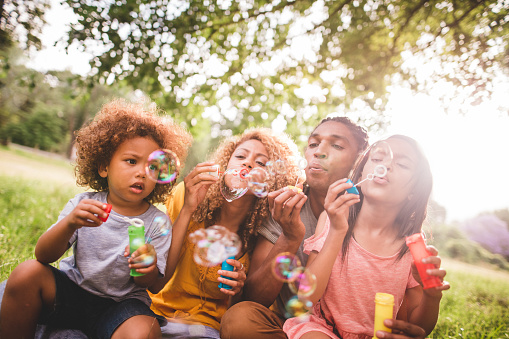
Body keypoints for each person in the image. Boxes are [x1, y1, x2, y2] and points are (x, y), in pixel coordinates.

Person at [221, 118, 431, 339]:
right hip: (302, 327)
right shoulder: (285, 206)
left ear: (359, 163)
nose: (319, 152)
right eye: (313, 144)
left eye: (337, 145)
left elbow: (406, 315)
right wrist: (290, 237)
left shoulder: (391, 229)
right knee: (240, 319)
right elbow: (254, 300)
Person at [0, 99, 192, 339]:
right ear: (104, 166)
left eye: (153, 167)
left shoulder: (157, 222)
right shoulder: (84, 205)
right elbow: (43, 256)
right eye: (131, 161)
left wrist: (147, 267)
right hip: (73, 293)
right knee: (26, 273)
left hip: (121, 307)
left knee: (145, 330)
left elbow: (152, 285)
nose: (142, 172)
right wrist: (69, 223)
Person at [283, 135, 450, 339]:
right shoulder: (332, 220)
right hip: (321, 328)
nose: (386, 166)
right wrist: (337, 231)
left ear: (414, 191)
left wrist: (432, 296)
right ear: (362, 172)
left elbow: (416, 328)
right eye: (377, 159)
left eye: (402, 164)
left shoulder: (412, 245)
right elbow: (306, 297)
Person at [148, 128, 302, 338]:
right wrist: (188, 209)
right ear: (226, 163)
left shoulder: (263, 233)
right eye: (240, 156)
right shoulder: (189, 194)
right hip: (156, 314)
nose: (247, 164)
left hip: (206, 328)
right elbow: (160, 268)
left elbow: (242, 310)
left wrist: (237, 290)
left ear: (273, 181)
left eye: (261, 163)